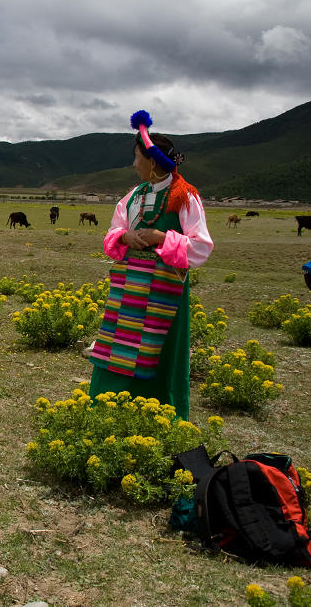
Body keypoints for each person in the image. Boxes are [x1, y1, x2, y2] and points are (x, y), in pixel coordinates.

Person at [88, 110, 214, 419]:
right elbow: (111, 235)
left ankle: (161, 419)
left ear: (152, 161)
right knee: (117, 349)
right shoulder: (132, 197)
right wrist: (125, 237)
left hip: (165, 297)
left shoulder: (185, 197)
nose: (133, 165)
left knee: (161, 355)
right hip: (128, 291)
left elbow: (200, 248)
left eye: (136, 158)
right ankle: (109, 410)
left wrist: (161, 237)